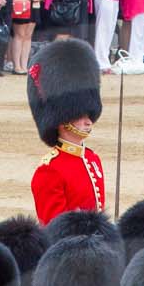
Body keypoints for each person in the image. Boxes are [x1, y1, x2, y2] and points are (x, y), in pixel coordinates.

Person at [27, 38, 104, 222]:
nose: (88, 121)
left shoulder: (92, 159)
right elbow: (54, 229)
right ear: (62, 120)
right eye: (80, 115)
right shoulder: (50, 170)